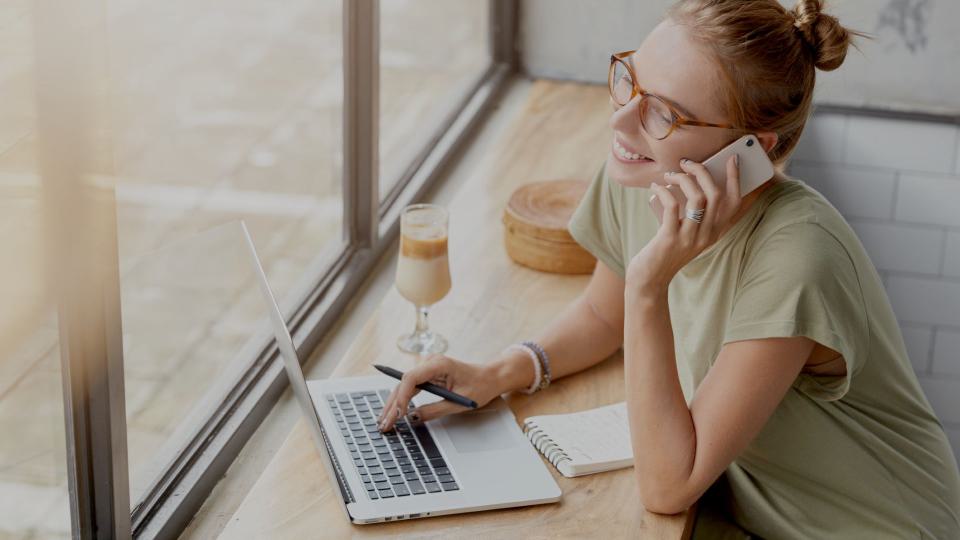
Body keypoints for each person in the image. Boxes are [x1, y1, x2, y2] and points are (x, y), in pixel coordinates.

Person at [377, 0, 960, 537]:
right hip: (754, 515)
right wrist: (498, 372)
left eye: (664, 114)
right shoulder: (646, 173)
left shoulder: (797, 257)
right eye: (631, 80)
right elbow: (603, 316)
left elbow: (667, 485)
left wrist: (650, 285)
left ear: (750, 148)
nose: (622, 120)